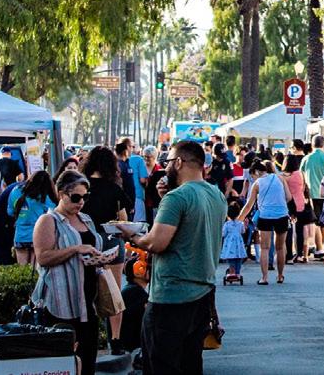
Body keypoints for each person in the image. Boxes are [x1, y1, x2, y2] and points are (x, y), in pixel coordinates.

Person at [133, 139, 226, 375]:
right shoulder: (216, 195)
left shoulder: (177, 198)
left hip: (171, 296)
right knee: (190, 363)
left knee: (161, 365)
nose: (165, 167)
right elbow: (190, 228)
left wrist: (132, 236)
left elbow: (156, 243)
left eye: (168, 162)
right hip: (202, 294)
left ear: (179, 162)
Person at [32, 170, 113, 374]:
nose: (81, 202)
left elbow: (91, 249)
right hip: (60, 302)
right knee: (63, 366)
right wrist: (75, 249)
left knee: (87, 362)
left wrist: (101, 258)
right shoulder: (48, 220)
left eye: (85, 197)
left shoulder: (86, 219)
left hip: (87, 302)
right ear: (61, 194)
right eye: (76, 197)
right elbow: (43, 257)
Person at [84, 146, 132, 354]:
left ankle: (92, 338)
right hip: (111, 240)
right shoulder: (114, 188)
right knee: (114, 293)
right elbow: (123, 220)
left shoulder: (82, 188)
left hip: (86, 242)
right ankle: (115, 339)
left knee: (87, 292)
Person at [238, 159, 293, 285]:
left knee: (265, 248)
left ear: (256, 172)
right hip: (282, 215)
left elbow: (249, 205)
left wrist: (239, 219)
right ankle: (280, 276)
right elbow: (289, 197)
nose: (253, 178)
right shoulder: (280, 178)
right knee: (280, 247)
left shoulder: (257, 184)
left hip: (265, 216)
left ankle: (264, 278)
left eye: (252, 176)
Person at [8, 171, 57, 265]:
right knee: (35, 270)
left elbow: (10, 212)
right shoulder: (43, 196)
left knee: (22, 270)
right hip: (36, 236)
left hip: (19, 236)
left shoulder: (15, 191)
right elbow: (54, 211)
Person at [303, 137, 324, 259]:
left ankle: (319, 247)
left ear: (312, 145)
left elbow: (301, 175)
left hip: (312, 194)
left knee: (316, 222)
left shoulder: (306, 158)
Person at [283, 152, 311, 265]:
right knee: (299, 231)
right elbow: (304, 188)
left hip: (288, 205)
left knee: (288, 231)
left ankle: (289, 256)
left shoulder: (284, 176)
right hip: (300, 203)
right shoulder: (301, 174)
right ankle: (299, 254)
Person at [119, 139, 151, 223]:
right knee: (138, 225)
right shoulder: (138, 160)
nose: (132, 149)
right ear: (127, 147)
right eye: (132, 146)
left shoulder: (116, 161)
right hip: (137, 196)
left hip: (120, 200)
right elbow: (143, 180)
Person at [221, 200, 247, 283]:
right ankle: (237, 273)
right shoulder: (240, 223)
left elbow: (223, 233)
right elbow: (243, 231)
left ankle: (232, 272)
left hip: (230, 245)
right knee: (238, 259)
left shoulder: (227, 224)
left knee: (231, 259)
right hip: (238, 245)